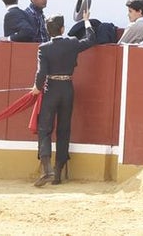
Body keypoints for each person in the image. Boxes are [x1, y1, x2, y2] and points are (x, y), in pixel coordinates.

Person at [30, 11, 95, 186]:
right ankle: (58, 173)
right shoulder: (72, 43)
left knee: (45, 129)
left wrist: (37, 87)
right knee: (64, 129)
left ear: (48, 30)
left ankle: (47, 169)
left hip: (51, 89)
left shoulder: (44, 48)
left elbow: (41, 72)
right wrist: (86, 21)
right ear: (63, 29)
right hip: (67, 88)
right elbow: (91, 39)